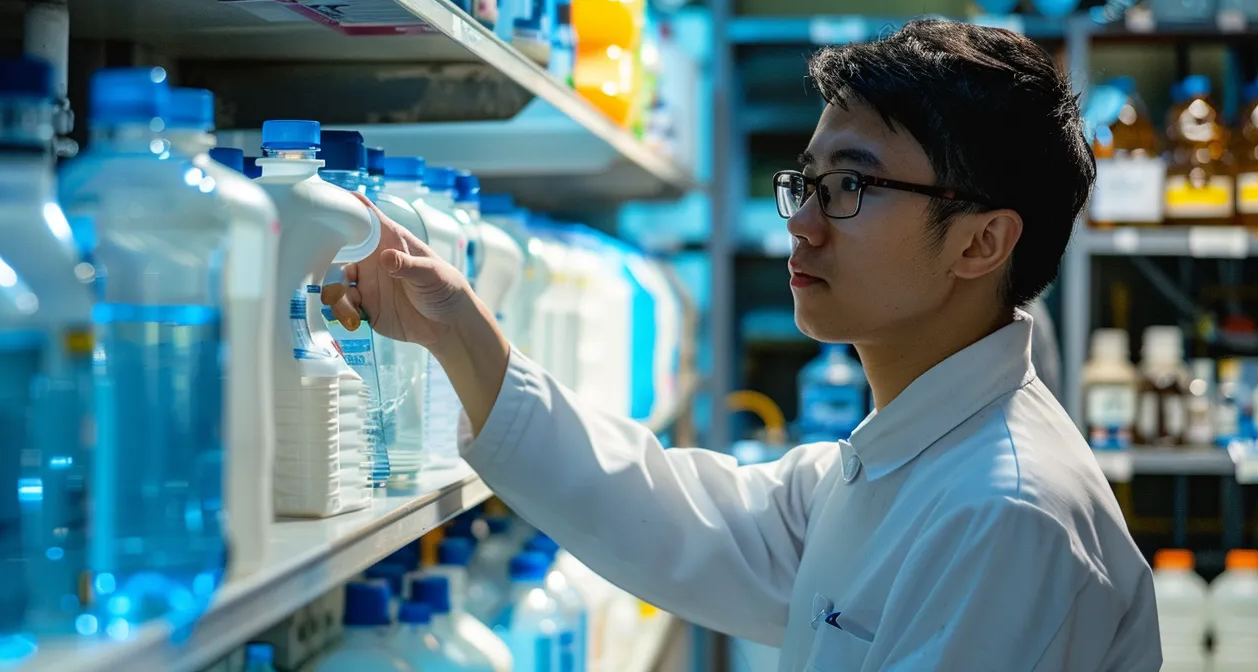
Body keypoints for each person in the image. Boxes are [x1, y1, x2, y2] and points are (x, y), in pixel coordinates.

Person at [321, 18, 1157, 671]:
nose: (800, 222)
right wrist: (456, 327)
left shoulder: (1005, 518)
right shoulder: (905, 462)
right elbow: (671, 515)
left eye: (852, 187)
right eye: (807, 181)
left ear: (981, 244)